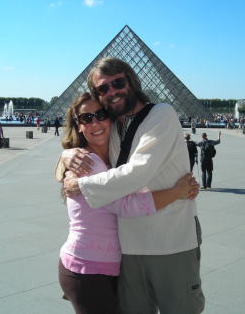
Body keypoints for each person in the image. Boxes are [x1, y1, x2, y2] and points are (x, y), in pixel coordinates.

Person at [61, 57, 205, 314]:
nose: (112, 91)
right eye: (103, 88)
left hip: (171, 242)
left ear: (132, 81)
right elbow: (84, 148)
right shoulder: (114, 126)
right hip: (128, 249)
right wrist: (66, 157)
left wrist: (82, 184)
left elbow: (138, 173)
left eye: (118, 83)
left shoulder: (161, 114)